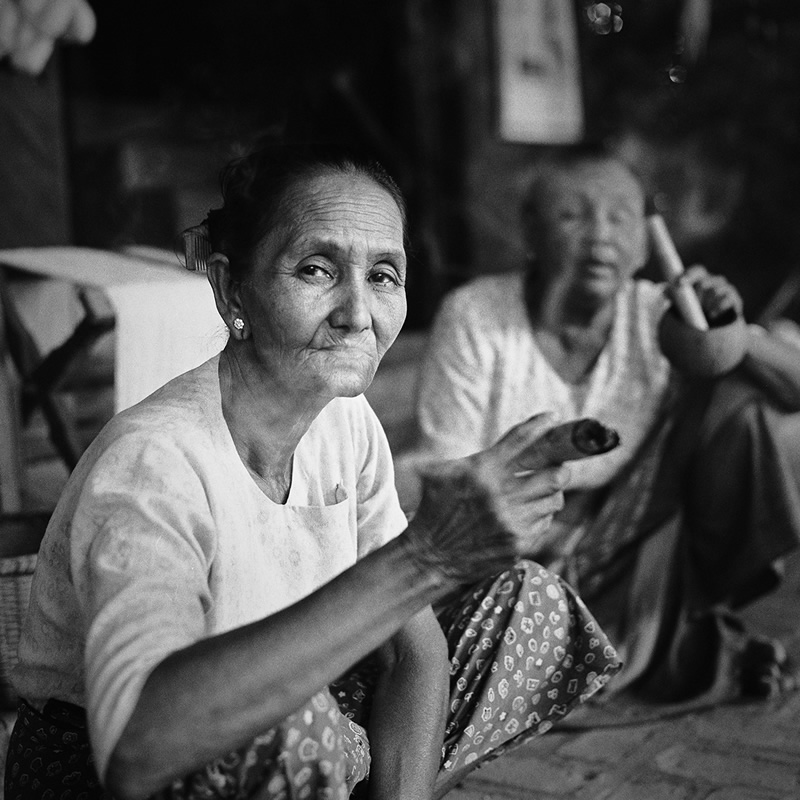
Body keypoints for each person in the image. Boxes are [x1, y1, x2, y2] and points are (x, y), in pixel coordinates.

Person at [4, 144, 621, 800]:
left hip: (284, 726)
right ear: (229, 287)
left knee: (524, 602)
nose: (358, 313)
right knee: (298, 722)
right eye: (317, 269)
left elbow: (415, 647)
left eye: (384, 275)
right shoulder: (155, 460)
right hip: (102, 770)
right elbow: (138, 747)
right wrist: (428, 556)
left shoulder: (344, 423)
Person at [404, 143, 800, 705]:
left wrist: (729, 334)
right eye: (572, 215)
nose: (600, 235)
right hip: (504, 553)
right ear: (530, 233)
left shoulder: (661, 315)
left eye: (620, 216)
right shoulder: (476, 316)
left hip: (629, 547)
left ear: (644, 243)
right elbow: (443, 473)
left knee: (738, 404)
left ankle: (653, 628)